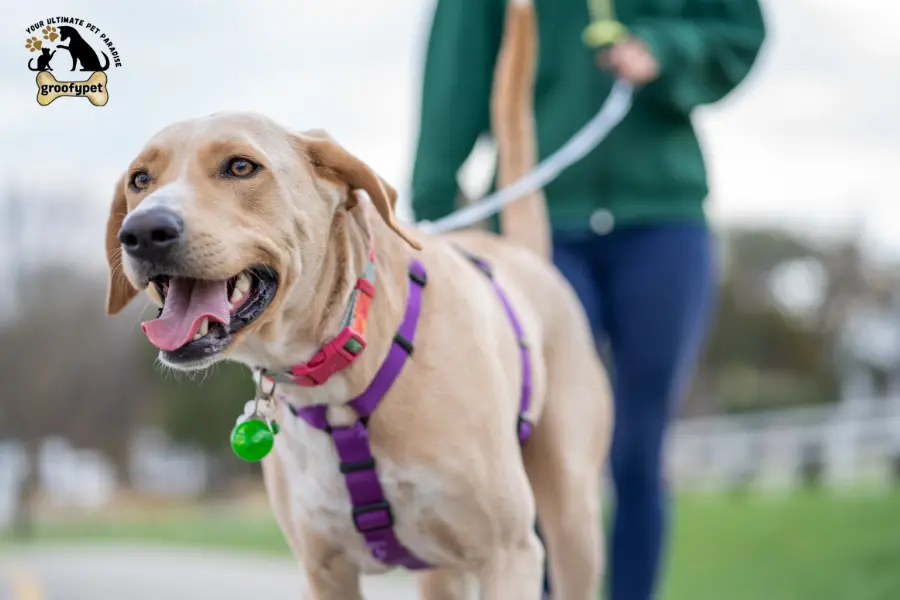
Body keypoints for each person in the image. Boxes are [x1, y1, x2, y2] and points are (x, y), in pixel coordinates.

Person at [409, 0, 766, 598]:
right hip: (533, 215)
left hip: (663, 220)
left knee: (639, 448)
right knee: (538, 446)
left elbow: (738, 31)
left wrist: (666, 48)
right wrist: (437, 214)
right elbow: (453, 77)